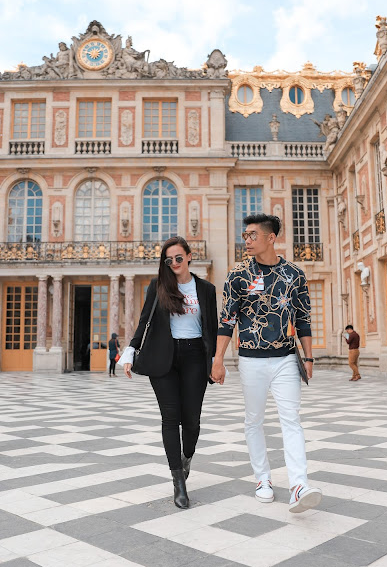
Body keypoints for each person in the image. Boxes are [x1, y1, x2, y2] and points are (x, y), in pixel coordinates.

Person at [211, 214, 322, 514]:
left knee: (291, 419)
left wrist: (308, 357)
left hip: (286, 358)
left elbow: (303, 320)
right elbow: (227, 320)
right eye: (244, 235)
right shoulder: (238, 275)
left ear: (271, 238)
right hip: (250, 359)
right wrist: (218, 359)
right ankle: (263, 479)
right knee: (254, 420)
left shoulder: (294, 275)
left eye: (252, 235)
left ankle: (299, 485)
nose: (246, 240)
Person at [118, 236, 218, 509]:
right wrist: (130, 350)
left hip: (195, 356)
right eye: (168, 260)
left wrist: (217, 360)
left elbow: (212, 328)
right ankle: (178, 481)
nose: (173, 263)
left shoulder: (206, 289)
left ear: (188, 257)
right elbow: (144, 320)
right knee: (170, 417)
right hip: (164, 357)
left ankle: (186, 457)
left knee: (192, 420)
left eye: (177, 257)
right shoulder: (158, 286)